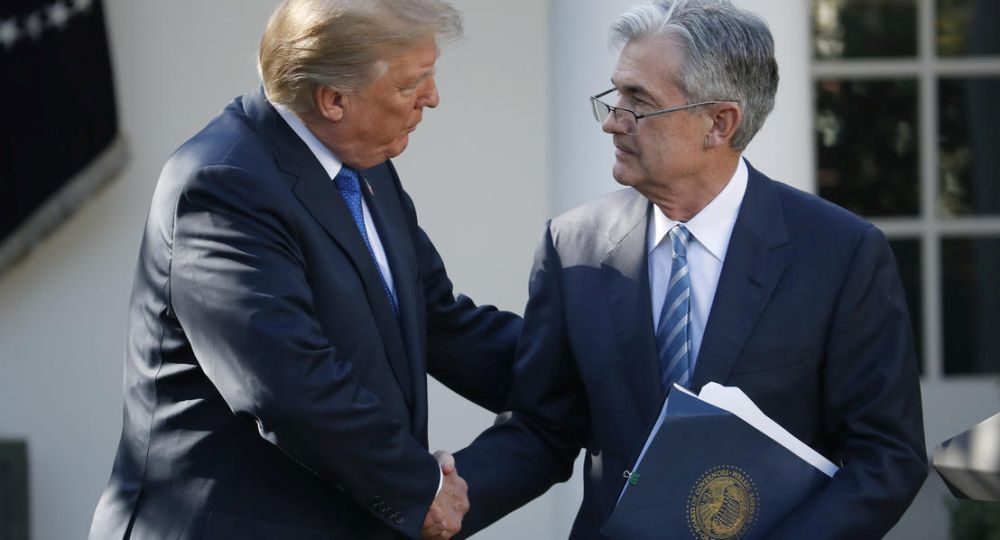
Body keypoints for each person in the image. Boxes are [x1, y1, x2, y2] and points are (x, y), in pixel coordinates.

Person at [451, 1, 927, 538]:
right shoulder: (573, 245)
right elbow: (543, 428)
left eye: (638, 103)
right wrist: (438, 501)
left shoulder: (840, 253)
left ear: (719, 124)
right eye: (615, 96)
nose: (612, 121)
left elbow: (887, 455)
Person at [87, 1, 520, 539]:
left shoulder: (367, 168)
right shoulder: (222, 183)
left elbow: (439, 322)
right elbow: (290, 387)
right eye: (414, 83)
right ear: (334, 99)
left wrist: (583, 368)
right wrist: (420, 489)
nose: (432, 98)